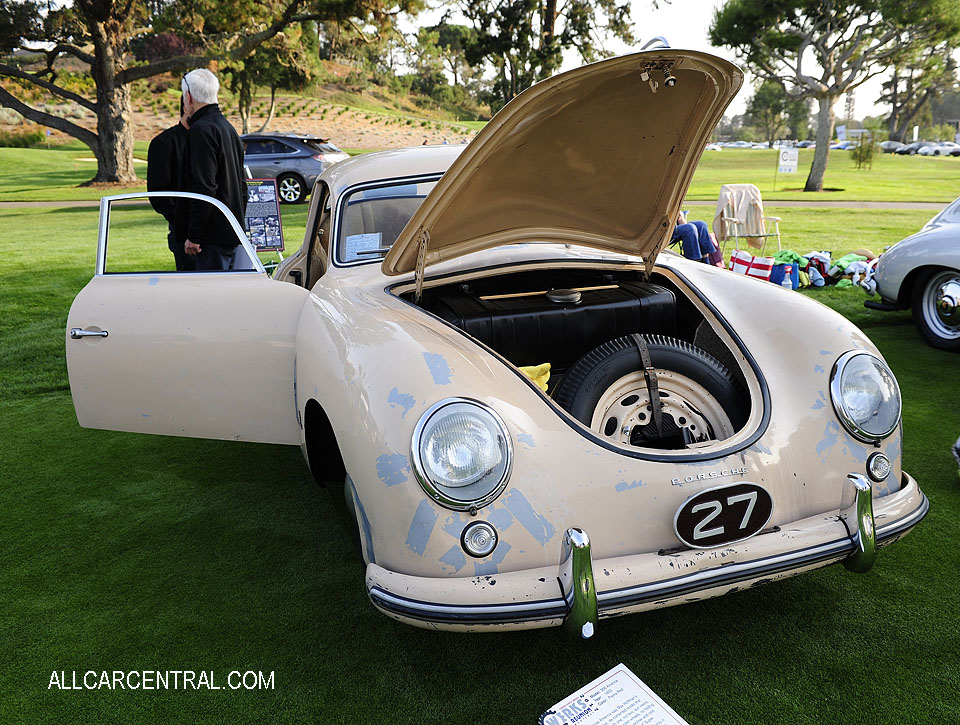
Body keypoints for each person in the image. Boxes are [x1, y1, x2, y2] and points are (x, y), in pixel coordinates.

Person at [177, 68, 247, 271]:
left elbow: (205, 187)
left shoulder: (201, 131)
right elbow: (242, 187)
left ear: (188, 97)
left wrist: (194, 236)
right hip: (230, 232)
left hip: (210, 239)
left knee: (211, 299)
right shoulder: (228, 128)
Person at [146, 98, 194, 271]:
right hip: (183, 232)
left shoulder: (208, 139)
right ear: (187, 107)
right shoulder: (164, 143)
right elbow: (159, 195)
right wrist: (182, 221)